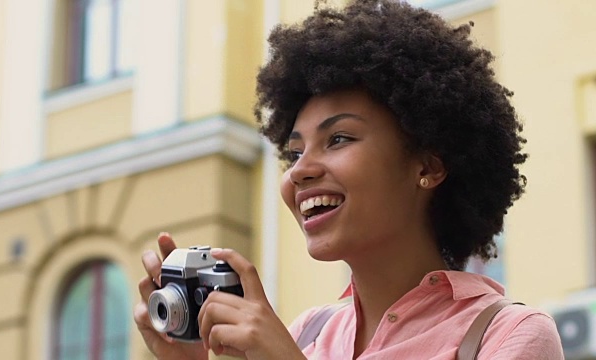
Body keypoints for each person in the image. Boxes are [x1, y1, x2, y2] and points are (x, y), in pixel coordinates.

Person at [133, 0, 564, 358]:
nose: (299, 171)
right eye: (295, 152)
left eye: (337, 139)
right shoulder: (308, 334)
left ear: (428, 167)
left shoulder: (506, 334)